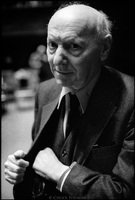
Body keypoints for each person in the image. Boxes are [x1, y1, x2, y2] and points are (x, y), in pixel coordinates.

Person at [4, 2, 134, 199]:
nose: (56, 60)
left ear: (104, 48)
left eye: (74, 46)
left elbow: (127, 192)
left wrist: (61, 174)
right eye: (52, 45)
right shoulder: (44, 91)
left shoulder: (131, 100)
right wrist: (22, 168)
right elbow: (39, 157)